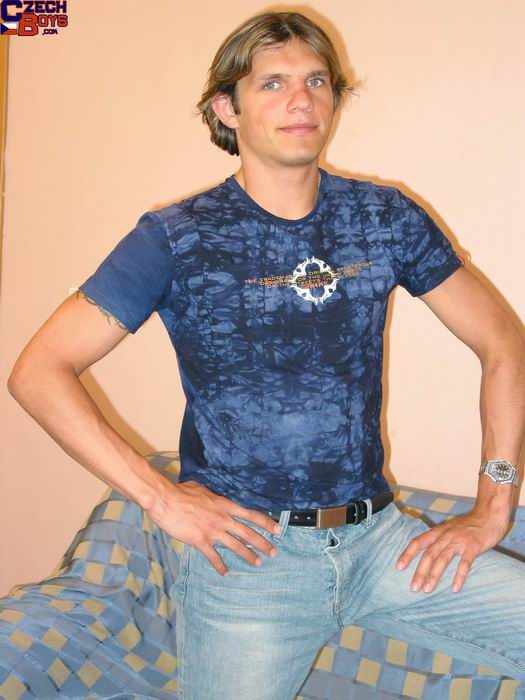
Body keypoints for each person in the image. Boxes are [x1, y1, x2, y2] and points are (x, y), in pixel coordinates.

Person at [7, 10, 525, 699]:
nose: (301, 100)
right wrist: (159, 497)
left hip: (379, 544)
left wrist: (493, 507)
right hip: (248, 564)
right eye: (272, 83)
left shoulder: (385, 217)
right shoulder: (176, 236)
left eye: (316, 81)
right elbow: (38, 372)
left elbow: (503, 342)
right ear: (227, 108)